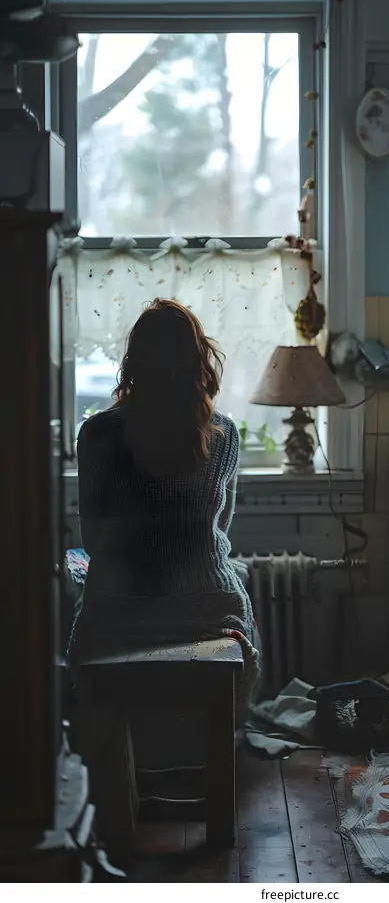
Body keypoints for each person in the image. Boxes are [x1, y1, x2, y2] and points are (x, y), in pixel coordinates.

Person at [69, 298, 260, 702]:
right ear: (198, 359)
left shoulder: (98, 433)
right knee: (238, 581)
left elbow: (92, 539)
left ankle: (119, 759)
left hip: (120, 610)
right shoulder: (224, 433)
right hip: (209, 609)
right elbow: (218, 529)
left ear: (134, 360)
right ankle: (220, 751)